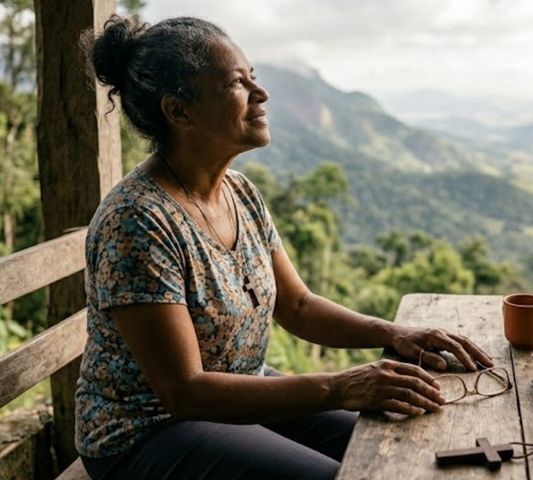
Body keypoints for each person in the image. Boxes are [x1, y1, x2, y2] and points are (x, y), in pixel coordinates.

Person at [75, 15, 493, 480]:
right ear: (180, 112)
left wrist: (393, 334)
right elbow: (185, 391)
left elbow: (296, 305)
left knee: (404, 439)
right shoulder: (138, 222)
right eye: (237, 82)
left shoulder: (240, 193)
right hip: (149, 430)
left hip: (242, 389)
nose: (261, 93)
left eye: (254, 77)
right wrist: (338, 386)